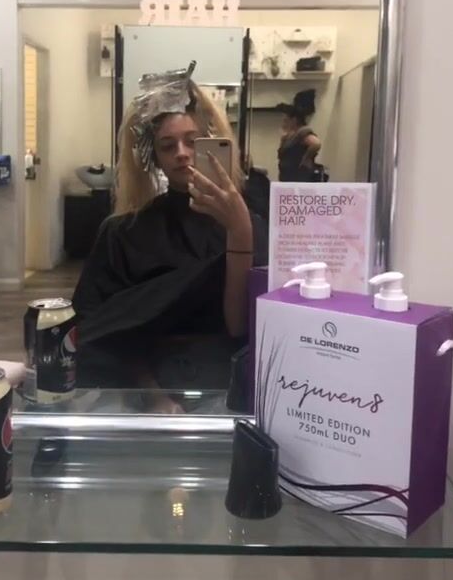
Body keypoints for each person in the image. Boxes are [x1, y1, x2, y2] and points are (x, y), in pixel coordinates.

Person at [72, 62, 267, 404]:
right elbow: (101, 328)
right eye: (167, 145)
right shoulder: (123, 233)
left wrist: (239, 231)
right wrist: (152, 393)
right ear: (153, 157)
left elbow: (239, 326)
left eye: (192, 141)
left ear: (213, 143)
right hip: (144, 380)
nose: (181, 154)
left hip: (227, 380)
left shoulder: (250, 223)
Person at [276, 88, 322, 182]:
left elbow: (316, 143)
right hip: (288, 178)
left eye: (286, 120)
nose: (284, 123)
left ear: (294, 120)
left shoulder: (302, 132)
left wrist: (306, 158)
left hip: (299, 178)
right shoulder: (290, 136)